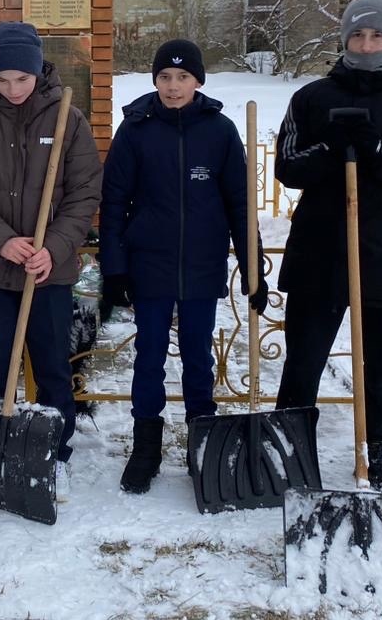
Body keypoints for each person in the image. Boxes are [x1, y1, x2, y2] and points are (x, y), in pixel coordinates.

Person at [272, 0, 382, 492]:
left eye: (376, 35)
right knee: (304, 358)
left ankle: (375, 450)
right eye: (357, 34)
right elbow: (287, 166)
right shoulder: (311, 98)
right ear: (344, 37)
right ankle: (291, 448)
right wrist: (331, 148)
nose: (366, 43)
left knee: (378, 363)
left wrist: (375, 149)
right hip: (319, 251)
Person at [98, 39, 267, 495]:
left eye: (183, 78)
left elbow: (239, 202)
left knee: (198, 356)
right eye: (165, 77)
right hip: (148, 263)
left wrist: (254, 263)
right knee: (148, 356)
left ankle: (202, 443)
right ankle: (146, 447)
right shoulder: (135, 129)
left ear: (198, 81)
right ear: (155, 80)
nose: (173, 87)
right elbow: (113, 201)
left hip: (201, 262)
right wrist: (114, 267)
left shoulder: (219, 131)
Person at [0, 21, 101, 499]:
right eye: (3, 79)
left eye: (23, 78)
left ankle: (55, 452)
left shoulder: (66, 118)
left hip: (48, 272)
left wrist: (52, 247)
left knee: (53, 366)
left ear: (38, 71)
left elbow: (84, 192)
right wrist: (2, 241)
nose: (13, 89)